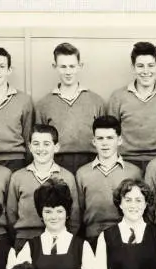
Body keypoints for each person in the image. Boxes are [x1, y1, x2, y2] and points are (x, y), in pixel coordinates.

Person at [16, 178, 95, 269]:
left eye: (59, 211)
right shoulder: (30, 247)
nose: (54, 217)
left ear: (68, 213)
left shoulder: (82, 246)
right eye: (48, 211)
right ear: (41, 214)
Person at [106, 41, 156, 173]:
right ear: (133, 67)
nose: (146, 71)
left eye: (150, 65)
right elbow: (110, 134)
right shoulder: (118, 97)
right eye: (140, 66)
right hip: (126, 161)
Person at [36, 42, 107, 174]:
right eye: (63, 67)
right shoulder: (44, 104)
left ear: (80, 66)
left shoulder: (96, 101)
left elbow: (105, 137)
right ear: (54, 66)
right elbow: (38, 141)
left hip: (91, 161)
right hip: (56, 162)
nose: (68, 72)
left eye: (72, 66)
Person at [7, 124, 81, 250]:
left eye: (46, 144)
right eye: (36, 144)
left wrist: (65, 236)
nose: (41, 148)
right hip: (25, 239)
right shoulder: (18, 177)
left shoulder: (67, 177)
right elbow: (11, 213)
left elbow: (74, 215)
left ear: (56, 147)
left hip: (58, 239)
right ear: (30, 147)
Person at [76, 116, 143, 248]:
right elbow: (78, 212)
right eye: (100, 138)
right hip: (93, 237)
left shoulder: (134, 172)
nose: (104, 143)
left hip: (126, 237)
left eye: (110, 138)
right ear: (93, 141)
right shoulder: (82, 173)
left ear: (119, 140)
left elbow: (143, 208)